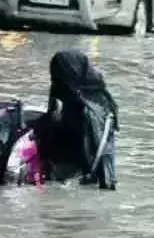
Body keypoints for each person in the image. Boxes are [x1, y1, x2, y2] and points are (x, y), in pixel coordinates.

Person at [35, 49, 118, 190]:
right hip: (63, 170)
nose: (55, 77)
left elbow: (101, 151)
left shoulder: (91, 108)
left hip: (80, 175)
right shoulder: (66, 88)